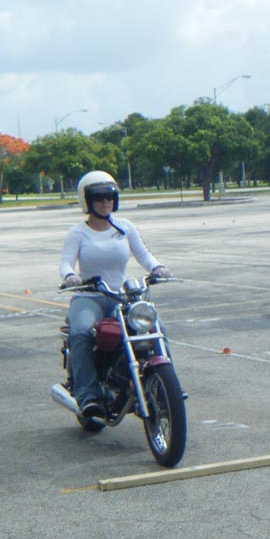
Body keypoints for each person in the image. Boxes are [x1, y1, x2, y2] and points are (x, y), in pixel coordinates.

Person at [59, 170, 171, 420]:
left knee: (155, 328)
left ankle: (165, 386)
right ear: (87, 201)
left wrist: (158, 268)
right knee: (81, 332)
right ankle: (88, 395)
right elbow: (66, 263)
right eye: (99, 198)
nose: (106, 202)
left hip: (120, 297)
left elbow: (144, 255)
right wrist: (70, 276)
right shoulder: (78, 233)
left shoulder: (125, 227)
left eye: (110, 197)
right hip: (89, 297)